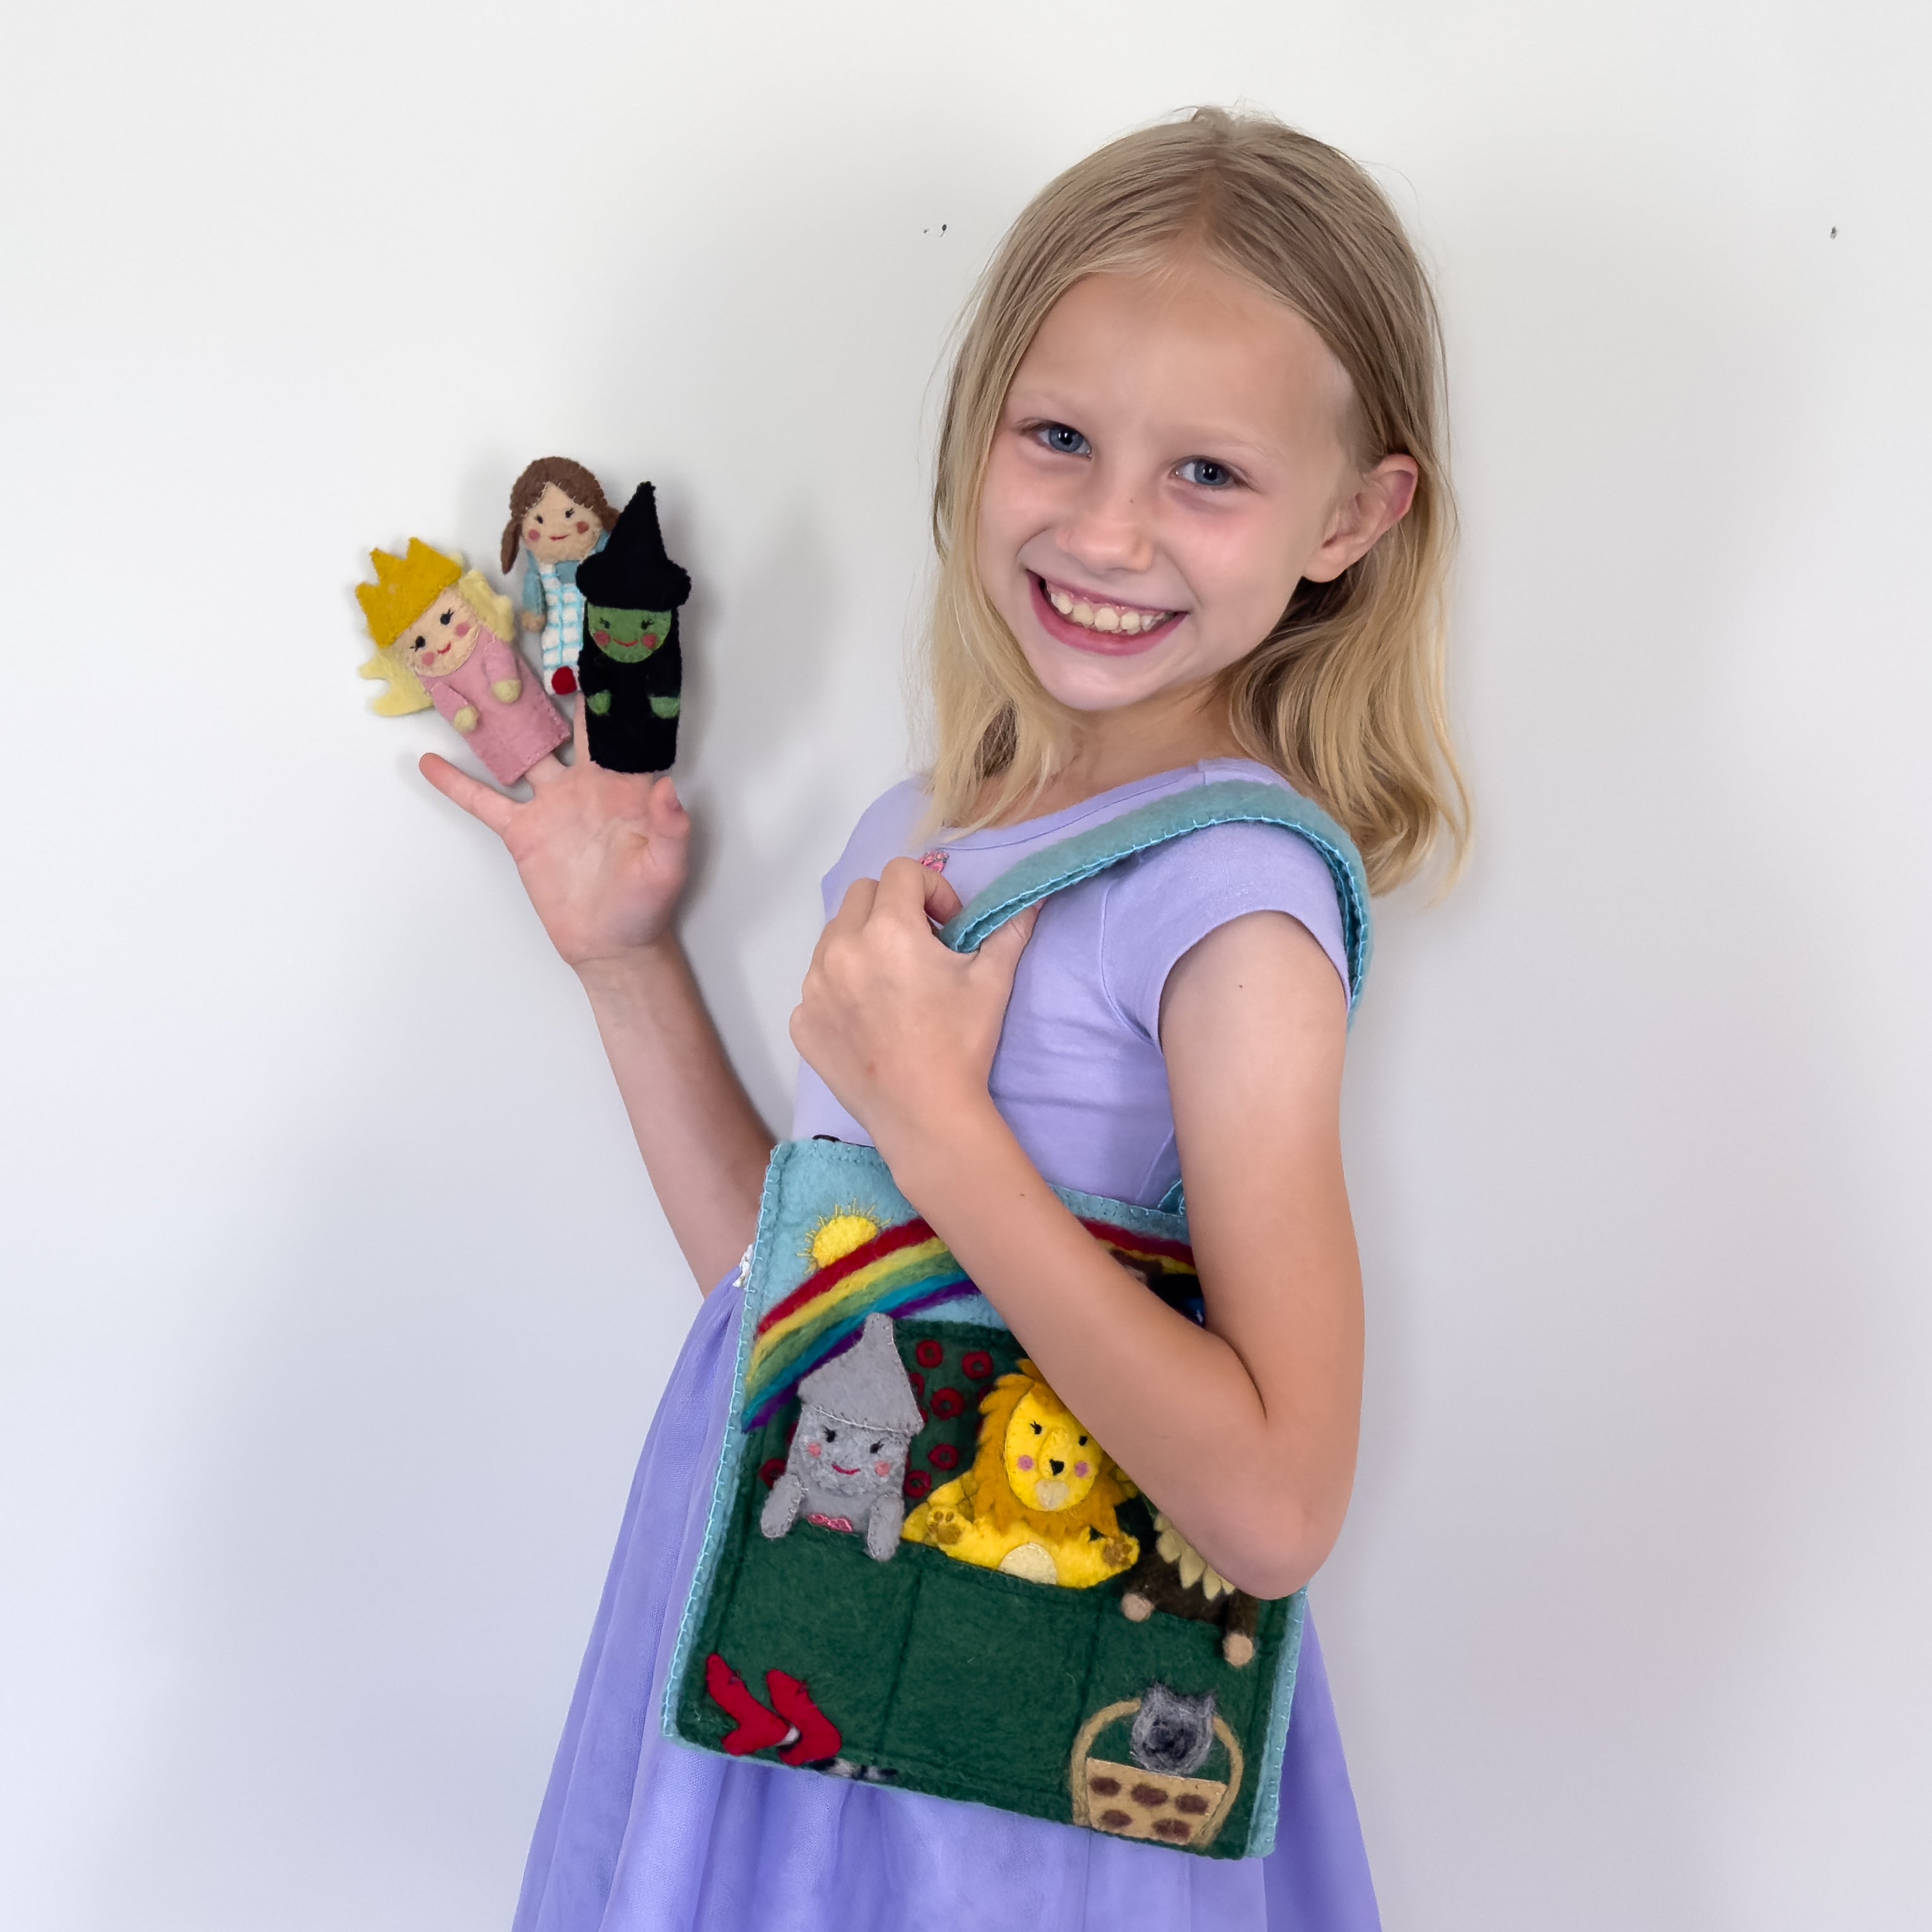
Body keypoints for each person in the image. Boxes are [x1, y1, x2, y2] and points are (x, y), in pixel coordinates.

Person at [422, 106, 1467, 1932]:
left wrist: (939, 1121)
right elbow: (797, 1316)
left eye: (1207, 473)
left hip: (1007, 1798)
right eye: (1055, 435)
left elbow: (1279, 1503)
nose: (1107, 525)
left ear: (1355, 519)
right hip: (782, 1691)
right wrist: (625, 962)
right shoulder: (926, 832)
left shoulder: (1236, 909)